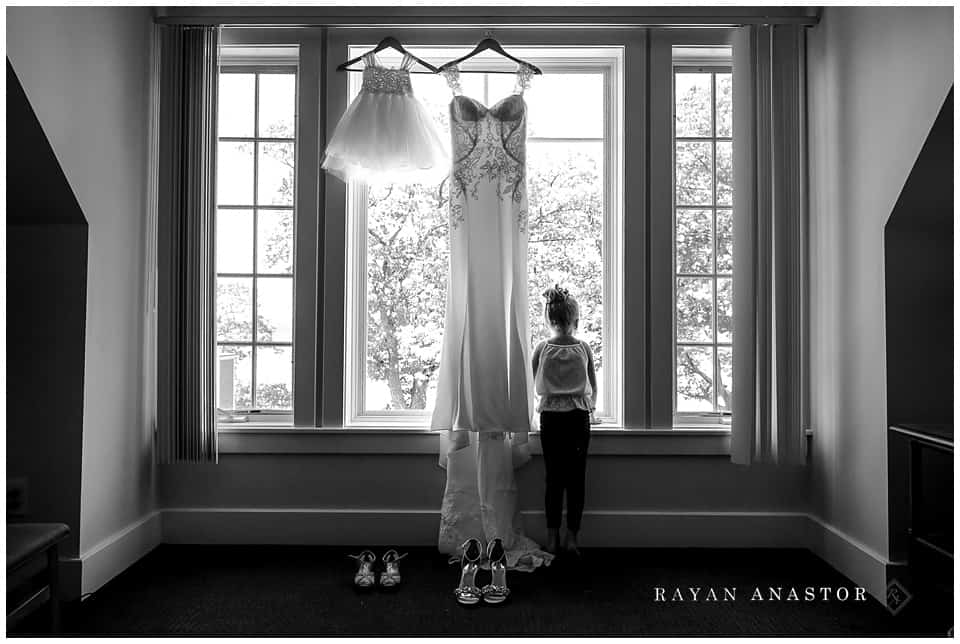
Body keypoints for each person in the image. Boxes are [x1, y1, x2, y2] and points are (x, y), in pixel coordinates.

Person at [531, 285, 598, 556]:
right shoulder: (583, 348)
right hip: (578, 418)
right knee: (576, 479)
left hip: (551, 419)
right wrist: (591, 407)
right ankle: (572, 537)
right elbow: (592, 385)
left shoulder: (542, 348)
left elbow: (533, 381)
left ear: (548, 320)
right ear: (576, 320)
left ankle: (552, 537)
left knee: (553, 479)